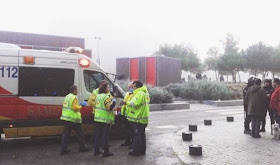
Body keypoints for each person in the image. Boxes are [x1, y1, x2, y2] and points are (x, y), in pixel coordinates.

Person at [60, 85, 90, 155]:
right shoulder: (74, 97)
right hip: (73, 119)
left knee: (66, 134)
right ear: (74, 90)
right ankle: (82, 147)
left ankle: (63, 149)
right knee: (80, 133)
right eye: (77, 89)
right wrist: (81, 105)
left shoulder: (67, 96)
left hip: (66, 118)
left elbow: (70, 106)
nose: (78, 91)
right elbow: (75, 108)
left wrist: (78, 104)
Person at [125, 80, 150, 156]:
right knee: (141, 135)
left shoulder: (139, 93)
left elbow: (135, 104)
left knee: (137, 135)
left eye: (134, 86)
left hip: (138, 118)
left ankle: (135, 151)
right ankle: (142, 150)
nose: (133, 88)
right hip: (142, 117)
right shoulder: (144, 93)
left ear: (138, 86)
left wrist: (127, 103)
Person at [94, 82, 116, 157]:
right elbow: (108, 108)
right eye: (108, 87)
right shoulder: (106, 97)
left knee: (98, 136)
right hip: (104, 119)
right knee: (105, 136)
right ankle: (105, 152)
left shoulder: (98, 96)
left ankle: (96, 151)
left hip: (97, 118)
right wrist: (113, 104)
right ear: (105, 89)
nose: (109, 89)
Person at [120, 82, 134, 147]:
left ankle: (131, 143)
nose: (129, 88)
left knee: (131, 130)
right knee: (126, 129)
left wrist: (126, 103)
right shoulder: (127, 93)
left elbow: (131, 104)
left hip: (130, 114)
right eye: (128, 87)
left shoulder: (134, 94)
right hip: (125, 113)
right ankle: (127, 141)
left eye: (130, 87)